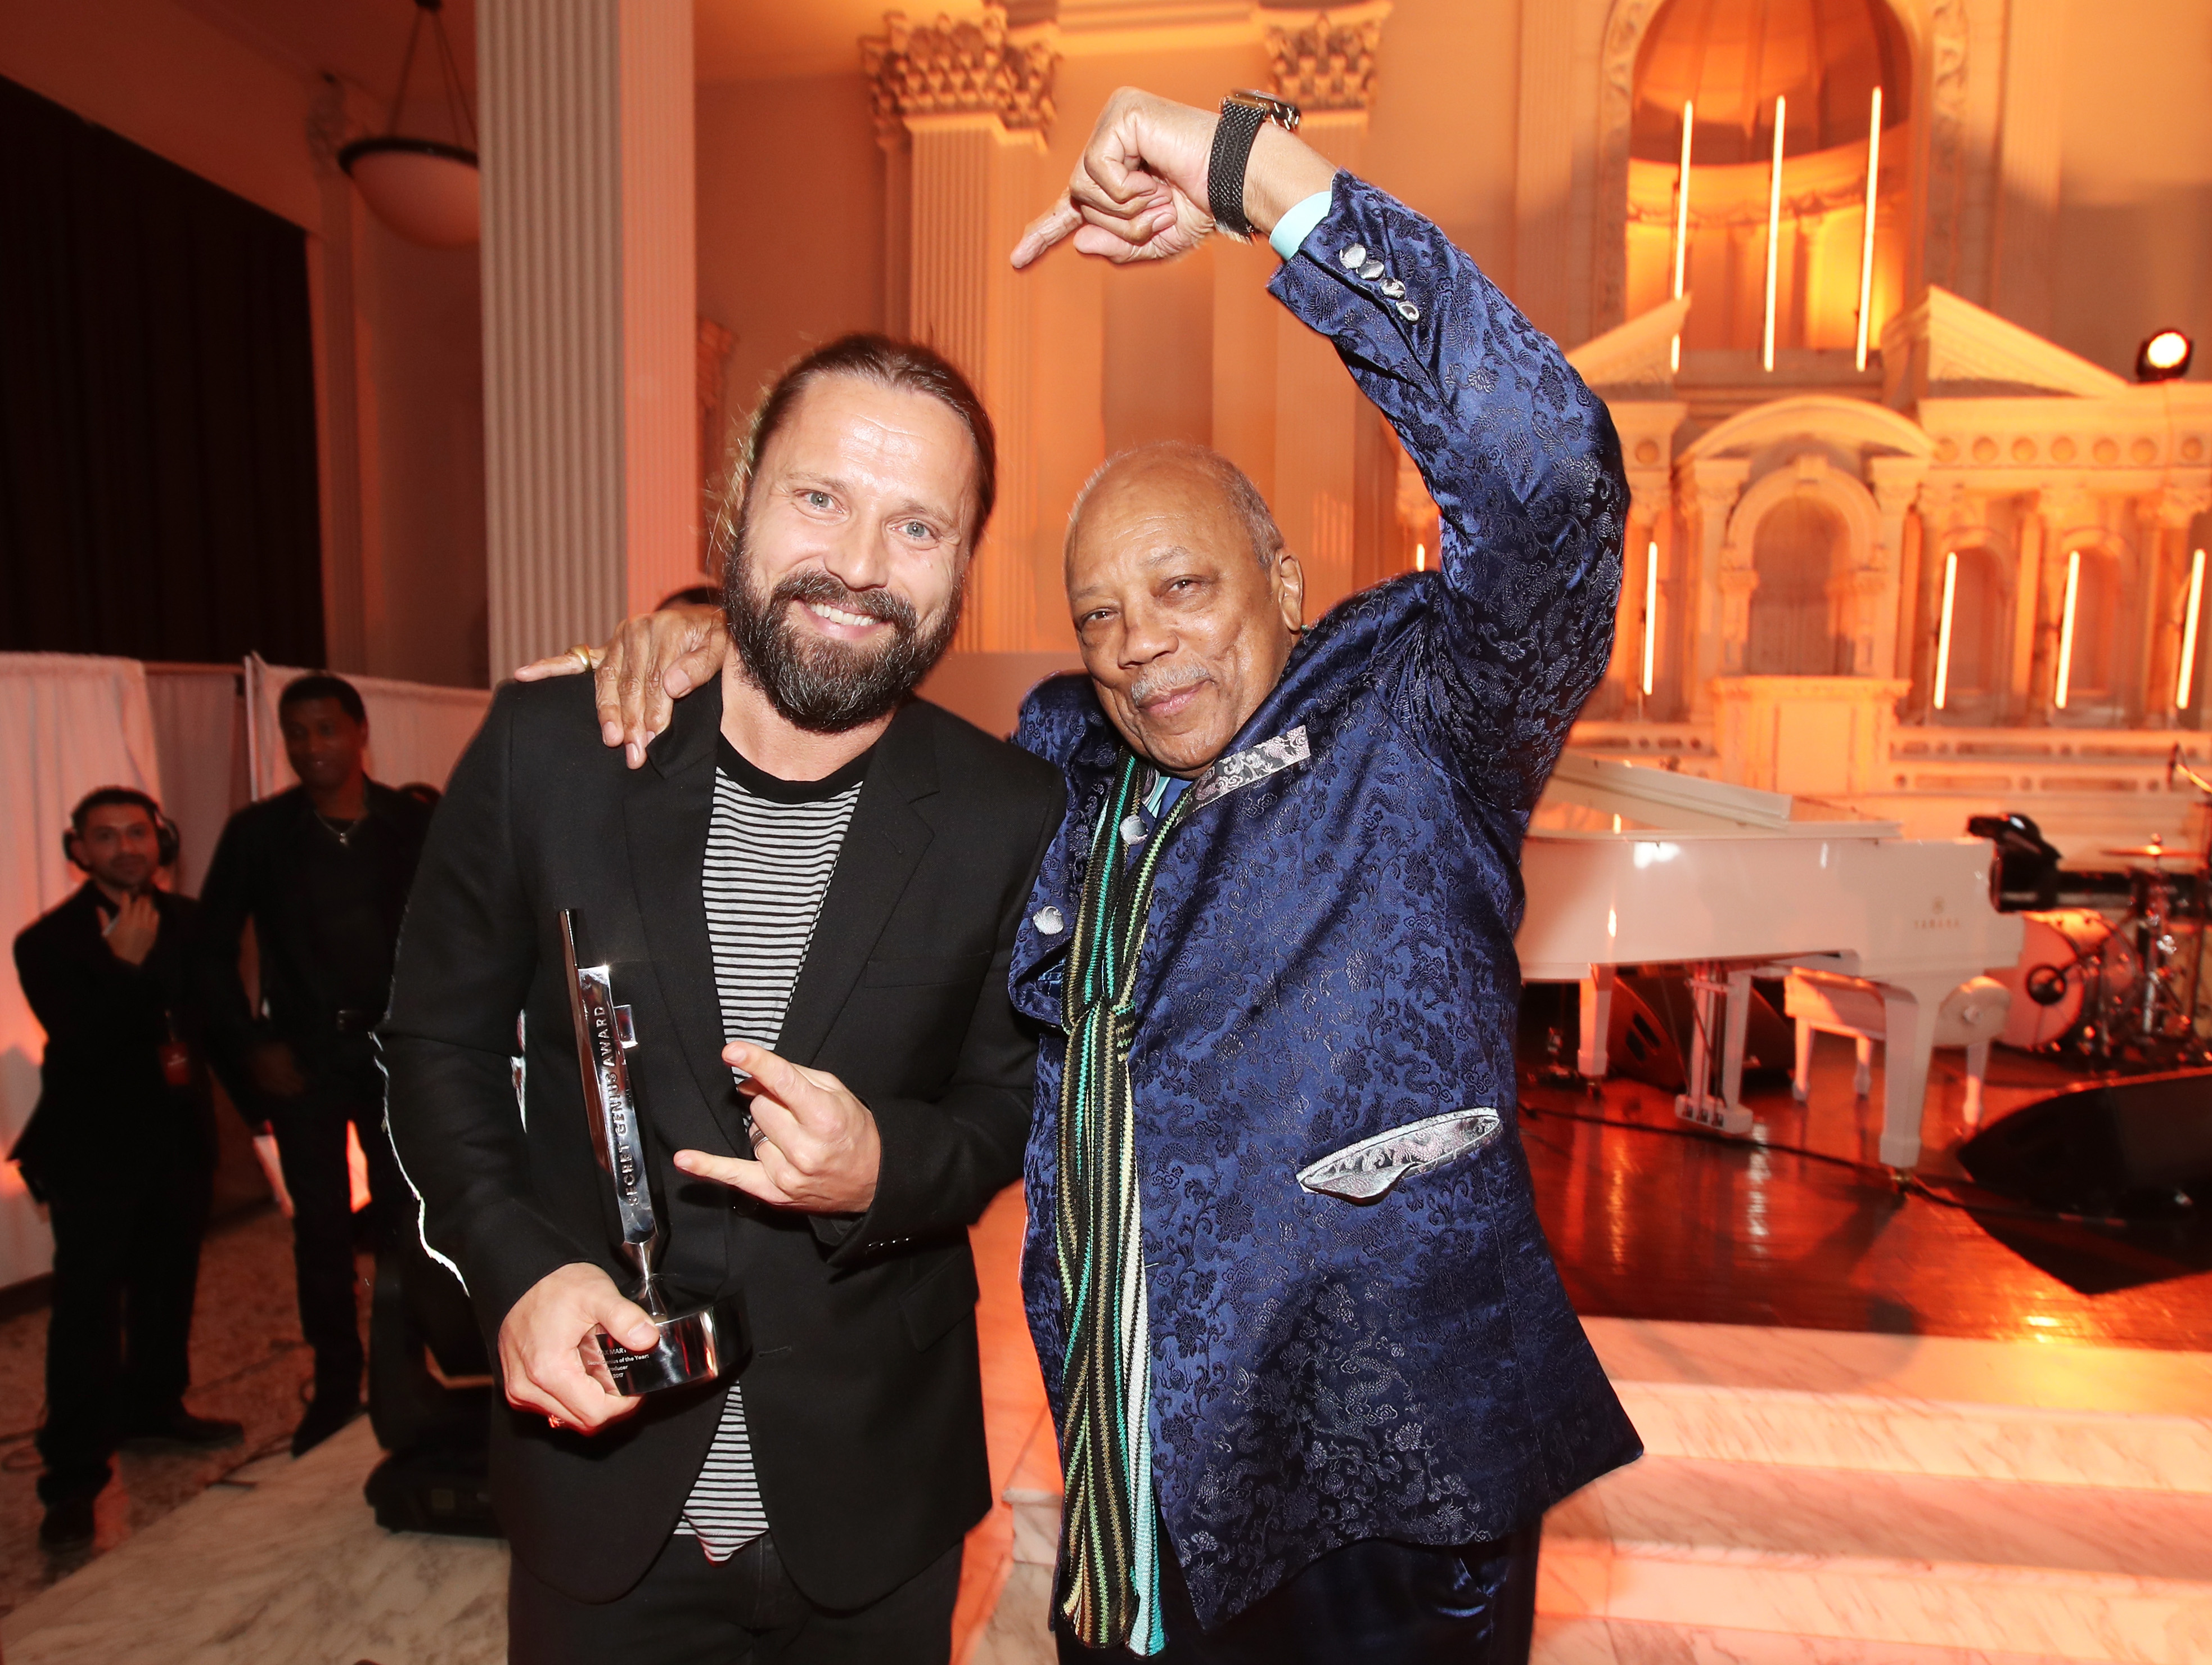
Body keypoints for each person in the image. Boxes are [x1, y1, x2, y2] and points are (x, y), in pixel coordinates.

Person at [561, 85, 1645, 1662]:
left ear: (1280, 575)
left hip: (1386, 1476)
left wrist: (1248, 177)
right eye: (1099, 615)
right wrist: (725, 640)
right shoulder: (1064, 764)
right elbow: (886, 768)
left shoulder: (1423, 717)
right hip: (1132, 1473)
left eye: (1185, 585)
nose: (1141, 644)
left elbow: (1551, 481)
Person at [384, 334, 1064, 1663]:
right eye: (820, 499)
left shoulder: (1011, 814)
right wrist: (513, 1273)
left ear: (965, 566)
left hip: (875, 1517)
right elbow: (435, 1044)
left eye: (917, 524)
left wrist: (885, 1166)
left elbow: (1000, 1106)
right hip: (599, 1493)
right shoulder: (546, 751)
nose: (861, 563)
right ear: (737, 499)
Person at [191, 673, 434, 1455]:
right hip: (303, 1059)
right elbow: (209, 951)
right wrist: (251, 1045)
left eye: (325, 730)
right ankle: (334, 1386)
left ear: (360, 733)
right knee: (321, 1231)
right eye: (296, 734)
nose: (310, 747)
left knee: (408, 1222)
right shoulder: (258, 835)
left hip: (395, 1055)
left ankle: (409, 1371)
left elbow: (460, 932)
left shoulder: (410, 824)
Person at [12, 788, 243, 1550]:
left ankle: (155, 1409)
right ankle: (72, 1481)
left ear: (162, 839)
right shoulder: (44, 943)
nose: (124, 848)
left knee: (168, 1287)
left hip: (176, 1141)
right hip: (91, 1152)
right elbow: (82, 1043)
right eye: (105, 837)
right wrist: (125, 968)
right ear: (78, 849)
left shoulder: (189, 921)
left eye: (137, 833)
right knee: (86, 1316)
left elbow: (212, 1022)